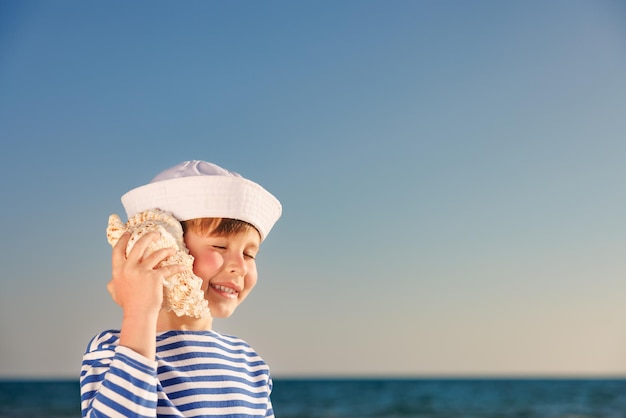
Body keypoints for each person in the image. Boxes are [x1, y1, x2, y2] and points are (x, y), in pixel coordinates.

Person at [80, 160, 282, 417]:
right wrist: (138, 312)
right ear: (165, 250)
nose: (240, 266)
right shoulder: (117, 348)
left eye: (249, 254)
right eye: (220, 247)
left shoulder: (248, 362)